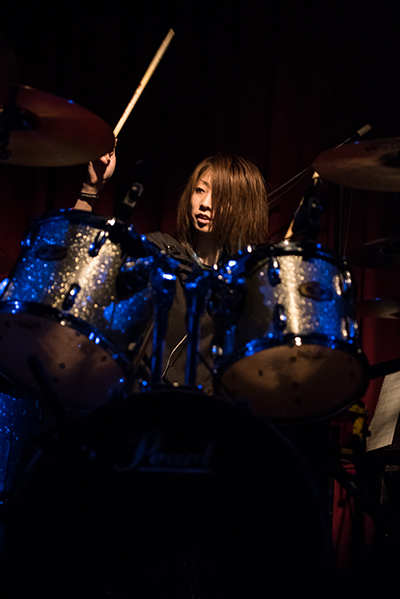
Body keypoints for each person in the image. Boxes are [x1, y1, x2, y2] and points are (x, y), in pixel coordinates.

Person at [74, 149, 269, 393]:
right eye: (200, 190)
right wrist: (91, 188)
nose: (205, 203)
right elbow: (83, 260)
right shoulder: (159, 250)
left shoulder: (243, 282)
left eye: (220, 196)